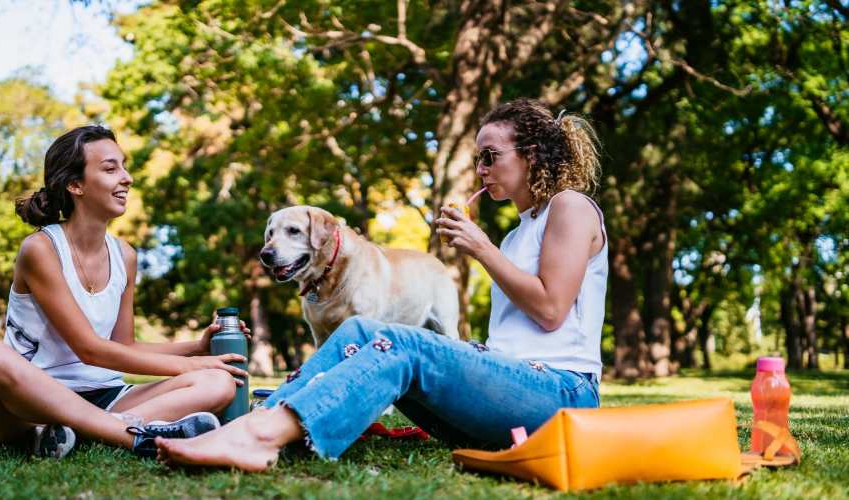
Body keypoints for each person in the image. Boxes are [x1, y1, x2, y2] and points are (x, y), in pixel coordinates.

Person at [154, 98, 608, 472]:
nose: (481, 169)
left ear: (531, 154)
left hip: (560, 395)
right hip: (508, 400)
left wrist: (482, 249)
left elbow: (551, 310)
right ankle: (254, 424)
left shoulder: (569, 207)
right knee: (357, 331)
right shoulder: (517, 233)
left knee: (403, 343)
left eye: (490, 156)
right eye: (477, 159)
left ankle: (259, 437)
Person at [0, 125, 251, 459]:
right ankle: (133, 435)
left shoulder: (125, 256)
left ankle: (80, 434)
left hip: (107, 395)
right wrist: (189, 367)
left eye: (124, 165)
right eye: (110, 168)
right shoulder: (41, 249)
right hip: (31, 402)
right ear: (75, 185)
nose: (127, 177)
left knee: (217, 384)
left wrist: (196, 349)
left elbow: (123, 346)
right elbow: (89, 349)